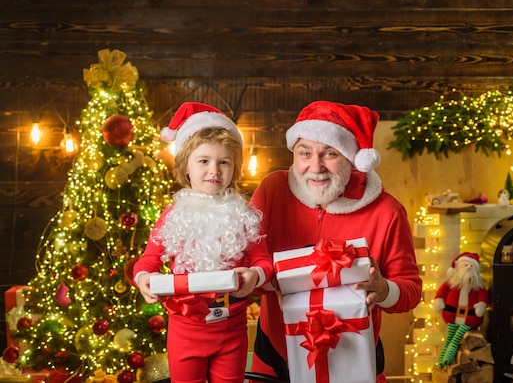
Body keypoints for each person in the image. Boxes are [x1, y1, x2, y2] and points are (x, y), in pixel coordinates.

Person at [249, 100, 423, 383]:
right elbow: (245, 261)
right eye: (305, 153)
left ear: (352, 157)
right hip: (274, 356)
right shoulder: (272, 190)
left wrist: (383, 289)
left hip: (353, 360)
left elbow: (411, 291)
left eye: (330, 153)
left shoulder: (387, 211)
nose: (315, 167)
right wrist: (267, 279)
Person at [133, 102, 273, 383]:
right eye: (204, 160)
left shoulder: (245, 215)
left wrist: (255, 274)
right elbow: (148, 258)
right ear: (185, 165)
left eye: (224, 162)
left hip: (232, 329)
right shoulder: (173, 215)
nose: (214, 170)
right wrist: (143, 277)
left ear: (234, 167)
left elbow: (264, 261)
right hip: (185, 331)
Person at [433, 252, 488, 367]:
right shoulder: (451, 283)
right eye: (465, 265)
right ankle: (441, 361)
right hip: (452, 316)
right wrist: (439, 300)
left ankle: (446, 360)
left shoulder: (478, 286)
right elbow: (442, 291)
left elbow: (483, 296)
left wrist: (481, 305)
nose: (468, 267)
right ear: (457, 267)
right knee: (449, 338)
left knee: (455, 340)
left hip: (469, 319)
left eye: (471, 266)